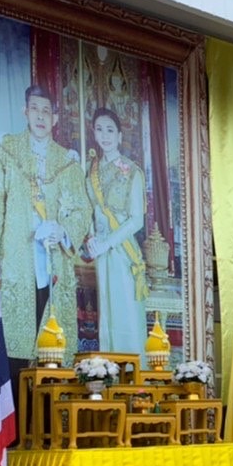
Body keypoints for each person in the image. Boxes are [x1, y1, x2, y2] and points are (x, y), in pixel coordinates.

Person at [0, 85, 91, 366]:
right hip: (16, 259)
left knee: (51, 348)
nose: (40, 116)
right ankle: (13, 393)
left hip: (53, 262)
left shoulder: (67, 161)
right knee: (14, 344)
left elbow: (81, 209)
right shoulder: (6, 150)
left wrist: (62, 230)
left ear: (55, 119)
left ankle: (47, 394)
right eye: (35, 109)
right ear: (25, 112)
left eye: (46, 111)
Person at [84, 107, 148, 355]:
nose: (105, 135)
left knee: (126, 315)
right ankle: (107, 370)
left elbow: (136, 220)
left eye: (110, 130)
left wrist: (107, 242)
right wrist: (91, 236)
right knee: (107, 315)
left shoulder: (132, 171)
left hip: (123, 252)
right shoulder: (91, 171)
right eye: (100, 129)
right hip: (100, 252)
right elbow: (88, 209)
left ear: (120, 136)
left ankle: (132, 374)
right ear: (94, 133)